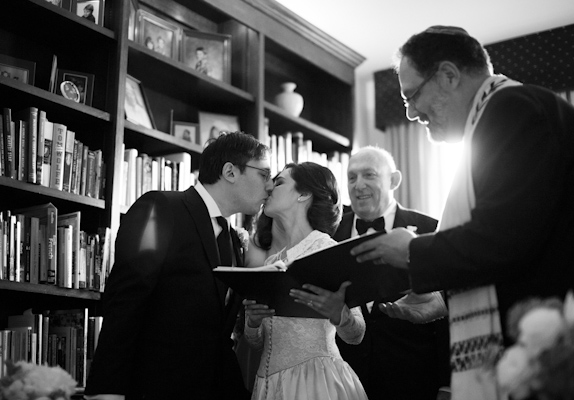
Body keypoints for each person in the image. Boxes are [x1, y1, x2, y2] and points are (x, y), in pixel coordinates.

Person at [350, 25, 574, 400]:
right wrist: (440, 304)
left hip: (564, 351)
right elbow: (519, 243)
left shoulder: (512, 111)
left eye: (412, 95)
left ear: (449, 75)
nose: (412, 111)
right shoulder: (502, 114)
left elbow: (503, 238)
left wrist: (411, 250)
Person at [84, 132, 273, 400]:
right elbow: (124, 304)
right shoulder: (160, 208)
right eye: (264, 175)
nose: (270, 186)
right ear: (230, 171)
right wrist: (106, 391)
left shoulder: (234, 240)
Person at [243, 162, 368, 400]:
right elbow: (258, 343)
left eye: (279, 182)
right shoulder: (272, 260)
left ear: (303, 194)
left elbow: (357, 334)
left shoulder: (327, 250)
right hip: (268, 388)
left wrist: (339, 314)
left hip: (316, 385)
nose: (269, 187)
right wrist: (253, 322)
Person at [333, 146, 450, 400]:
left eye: (369, 175)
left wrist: (446, 383)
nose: (358, 185)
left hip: (413, 378)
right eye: (351, 177)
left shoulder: (430, 228)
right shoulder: (332, 232)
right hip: (346, 380)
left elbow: (444, 309)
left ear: (393, 180)